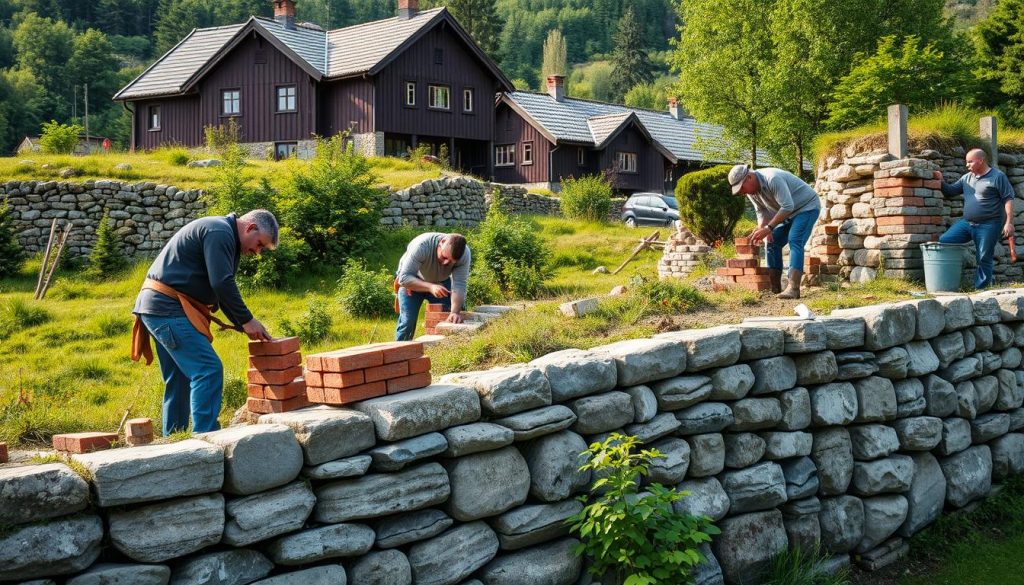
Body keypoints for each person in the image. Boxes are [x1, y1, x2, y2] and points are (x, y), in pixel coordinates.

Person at [130, 209, 277, 435]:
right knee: (208, 370)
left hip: (158, 307)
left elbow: (219, 291)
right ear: (250, 227)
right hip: (167, 308)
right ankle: (206, 441)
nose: (257, 252)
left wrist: (245, 326)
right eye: (259, 244)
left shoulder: (222, 233)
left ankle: (175, 444)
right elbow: (222, 283)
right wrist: (247, 320)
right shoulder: (219, 232)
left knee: (179, 378)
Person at [728, 164, 822, 299]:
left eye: (742, 187)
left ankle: (793, 288)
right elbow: (761, 211)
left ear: (749, 177)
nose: (742, 192)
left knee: (795, 239)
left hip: (806, 207)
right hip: (788, 214)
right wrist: (763, 228)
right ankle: (774, 287)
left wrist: (769, 228)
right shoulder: (752, 192)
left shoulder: (772, 178)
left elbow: (788, 206)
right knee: (772, 242)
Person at [933, 148, 1015, 289]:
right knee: (945, 241)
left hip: (989, 225)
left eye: (970, 162)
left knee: (983, 257)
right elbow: (951, 191)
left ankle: (981, 289)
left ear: (981, 160)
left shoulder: (998, 176)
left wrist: (1009, 223)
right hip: (967, 224)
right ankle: (948, 282)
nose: (967, 165)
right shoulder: (967, 178)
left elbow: (1008, 199)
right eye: (966, 162)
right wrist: (940, 181)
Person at [395, 232, 471, 341]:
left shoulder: (464, 254)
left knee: (446, 319)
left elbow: (459, 285)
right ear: (441, 242)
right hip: (412, 282)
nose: (445, 263)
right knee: (407, 322)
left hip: (441, 284)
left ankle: (438, 352)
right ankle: (400, 354)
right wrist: (431, 287)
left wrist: (454, 312)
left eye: (451, 262)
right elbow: (404, 278)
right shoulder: (422, 246)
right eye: (444, 257)